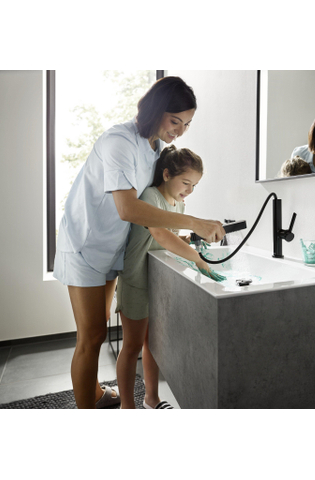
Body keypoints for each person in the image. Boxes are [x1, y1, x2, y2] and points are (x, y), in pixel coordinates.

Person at [53, 76, 226, 409]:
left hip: (113, 247)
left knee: (100, 327)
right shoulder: (118, 142)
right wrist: (195, 223)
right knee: (92, 336)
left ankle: (95, 393)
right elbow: (129, 209)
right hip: (85, 245)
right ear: (155, 110)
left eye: (187, 124)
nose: (180, 131)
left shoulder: (156, 148)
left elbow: (155, 205)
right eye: (175, 121)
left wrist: (186, 232)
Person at [115, 145, 225, 409]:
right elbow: (160, 234)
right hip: (136, 280)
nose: (189, 190)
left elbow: (169, 238)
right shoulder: (150, 196)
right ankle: (127, 407)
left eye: (194, 185)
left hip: (157, 280)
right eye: (186, 182)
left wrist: (190, 241)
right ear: (166, 174)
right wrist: (197, 259)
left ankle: (151, 399)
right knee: (132, 346)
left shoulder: (180, 204)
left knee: (152, 344)